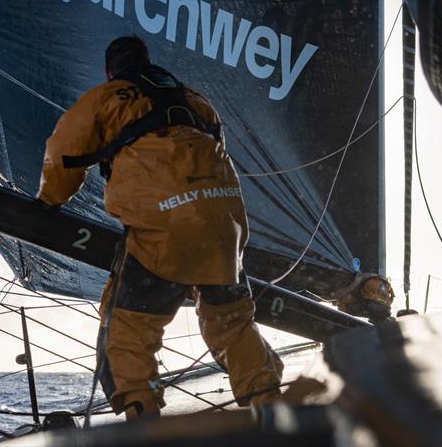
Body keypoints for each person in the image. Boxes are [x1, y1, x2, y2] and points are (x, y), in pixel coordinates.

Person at [37, 36, 283, 420]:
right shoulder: (197, 99)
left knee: (128, 336)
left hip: (165, 228)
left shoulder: (109, 97)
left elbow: (63, 153)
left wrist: (50, 200)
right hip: (226, 227)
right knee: (232, 325)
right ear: (148, 62)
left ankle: (144, 422)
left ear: (110, 71)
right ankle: (271, 410)